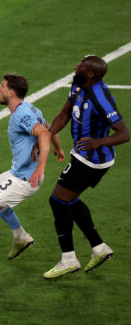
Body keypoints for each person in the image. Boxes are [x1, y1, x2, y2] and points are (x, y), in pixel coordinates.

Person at [0, 74, 64, 279]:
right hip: (18, 172)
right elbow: (50, 127)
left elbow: (44, 133)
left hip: (25, 179)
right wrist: (59, 148)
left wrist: (41, 167)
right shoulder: (30, 109)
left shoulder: (21, 115)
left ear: (11, 92)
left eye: (1, 86)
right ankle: (20, 236)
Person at [42, 55, 129, 278]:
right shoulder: (78, 84)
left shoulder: (101, 98)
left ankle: (68, 260)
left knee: (58, 201)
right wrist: (46, 136)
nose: (77, 66)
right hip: (81, 156)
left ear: (91, 73)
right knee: (69, 200)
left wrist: (98, 141)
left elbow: (124, 133)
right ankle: (99, 249)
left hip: (93, 160)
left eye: (82, 65)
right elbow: (64, 114)